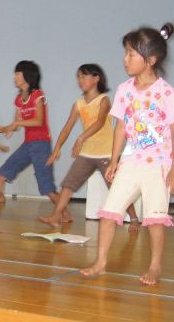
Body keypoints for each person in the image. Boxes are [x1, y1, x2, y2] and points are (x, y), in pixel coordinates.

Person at [81, 23, 174, 286]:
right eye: (126, 53)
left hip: (158, 165)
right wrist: (114, 160)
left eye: (131, 54)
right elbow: (120, 128)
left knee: (155, 218)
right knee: (108, 212)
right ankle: (100, 262)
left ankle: (155, 266)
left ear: (151, 60)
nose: (125, 59)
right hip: (130, 162)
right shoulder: (124, 90)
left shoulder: (166, 92)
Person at [38, 64, 139, 229]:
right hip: (87, 154)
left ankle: (134, 219)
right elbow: (67, 128)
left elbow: (99, 122)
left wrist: (81, 138)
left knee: (117, 188)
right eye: (78, 77)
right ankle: (56, 217)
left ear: (96, 78)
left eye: (84, 76)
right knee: (68, 185)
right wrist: (56, 149)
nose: (80, 80)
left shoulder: (104, 100)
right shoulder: (78, 104)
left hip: (106, 153)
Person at [0, 61, 64, 218]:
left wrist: (16, 124)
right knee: (2, 174)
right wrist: (3, 129)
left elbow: (38, 121)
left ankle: (65, 213)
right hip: (28, 144)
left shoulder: (38, 95)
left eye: (17, 74)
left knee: (46, 187)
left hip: (41, 145)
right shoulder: (19, 99)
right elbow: (16, 125)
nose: (14, 77)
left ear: (27, 75)